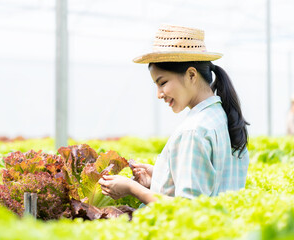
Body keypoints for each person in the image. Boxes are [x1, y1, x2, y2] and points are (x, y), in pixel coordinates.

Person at [98, 24, 250, 205]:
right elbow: (212, 184)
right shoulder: (221, 116)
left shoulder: (193, 131)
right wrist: (160, 174)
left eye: (162, 83)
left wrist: (132, 188)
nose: (159, 94)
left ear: (192, 75)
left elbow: (186, 209)